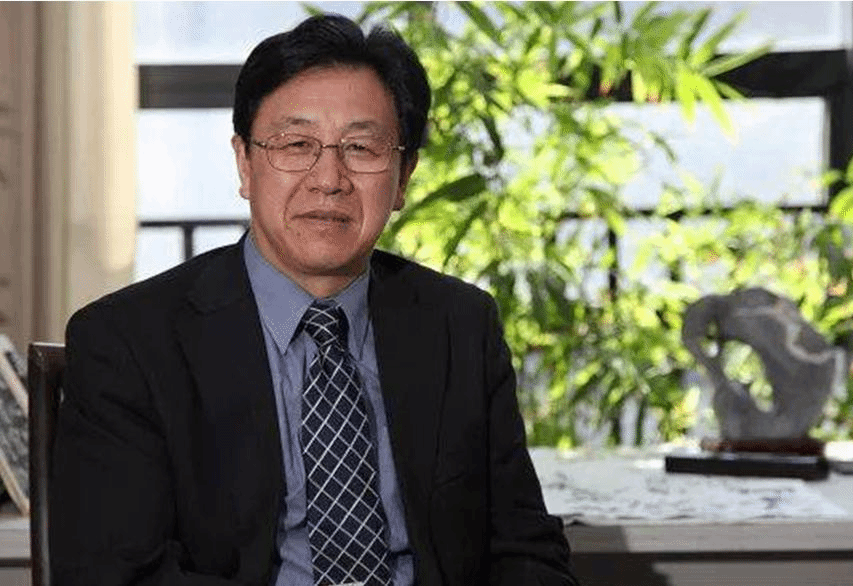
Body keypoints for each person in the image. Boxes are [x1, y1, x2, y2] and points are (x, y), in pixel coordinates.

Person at [50, 13, 578, 586]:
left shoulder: (461, 326)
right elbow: (116, 575)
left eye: (362, 147)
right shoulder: (129, 343)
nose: (329, 178)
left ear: (403, 177)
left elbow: (526, 551)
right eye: (296, 144)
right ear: (244, 163)